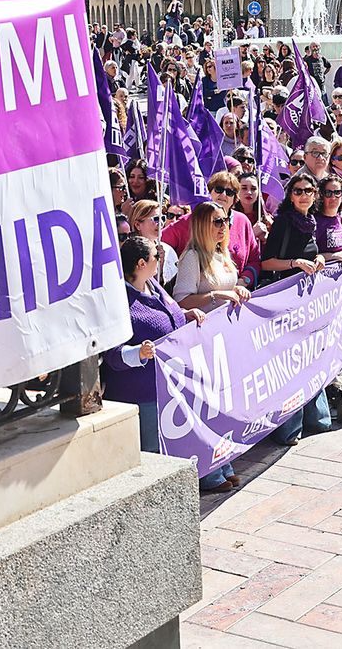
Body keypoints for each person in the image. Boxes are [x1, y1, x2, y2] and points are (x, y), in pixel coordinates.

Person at [102, 235, 238, 491]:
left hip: (171, 383)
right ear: (142, 263)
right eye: (157, 255)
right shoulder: (120, 302)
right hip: (142, 393)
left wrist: (186, 315)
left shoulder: (153, 285)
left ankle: (207, 475)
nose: (161, 259)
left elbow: (169, 315)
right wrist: (139, 353)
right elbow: (111, 355)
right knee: (153, 452)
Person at [258, 172, 334, 443]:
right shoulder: (284, 222)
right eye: (298, 191)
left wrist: (319, 258)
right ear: (290, 196)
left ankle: (317, 418)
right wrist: (295, 264)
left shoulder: (310, 221)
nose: (303, 196)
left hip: (307, 304)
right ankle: (288, 428)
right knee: (291, 363)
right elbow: (266, 263)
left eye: (308, 191)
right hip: (285, 303)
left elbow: (311, 252)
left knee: (311, 356)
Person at [172, 201, 254, 312]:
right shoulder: (192, 256)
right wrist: (215, 295)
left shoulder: (222, 252)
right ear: (202, 225)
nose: (224, 226)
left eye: (226, 220)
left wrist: (236, 289)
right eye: (218, 221)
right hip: (206, 321)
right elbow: (181, 301)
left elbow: (221, 288)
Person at [127, 199, 180, 288]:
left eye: (162, 218)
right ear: (137, 225)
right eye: (156, 219)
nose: (161, 223)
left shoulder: (168, 250)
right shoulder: (129, 254)